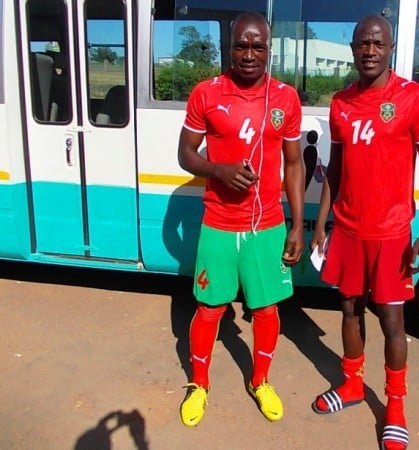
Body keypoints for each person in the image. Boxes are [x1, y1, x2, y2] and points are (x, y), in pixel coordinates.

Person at [310, 15, 419, 450]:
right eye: (362, 43)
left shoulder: (414, 98)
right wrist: (322, 223)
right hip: (347, 229)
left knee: (391, 319)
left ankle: (396, 406)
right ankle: (350, 385)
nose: (369, 50)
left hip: (391, 233)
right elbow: (336, 168)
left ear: (391, 47)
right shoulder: (341, 102)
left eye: (377, 43)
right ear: (352, 48)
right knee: (349, 309)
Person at [177, 11, 305, 427]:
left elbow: (293, 164)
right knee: (209, 308)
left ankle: (261, 380)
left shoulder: (285, 97)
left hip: (267, 225)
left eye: (258, 46)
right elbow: (185, 154)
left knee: (266, 310)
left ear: (270, 48)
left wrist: (298, 224)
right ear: (228, 47)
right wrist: (219, 170)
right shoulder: (206, 93)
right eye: (241, 45)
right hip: (218, 222)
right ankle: (199, 385)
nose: (249, 54)